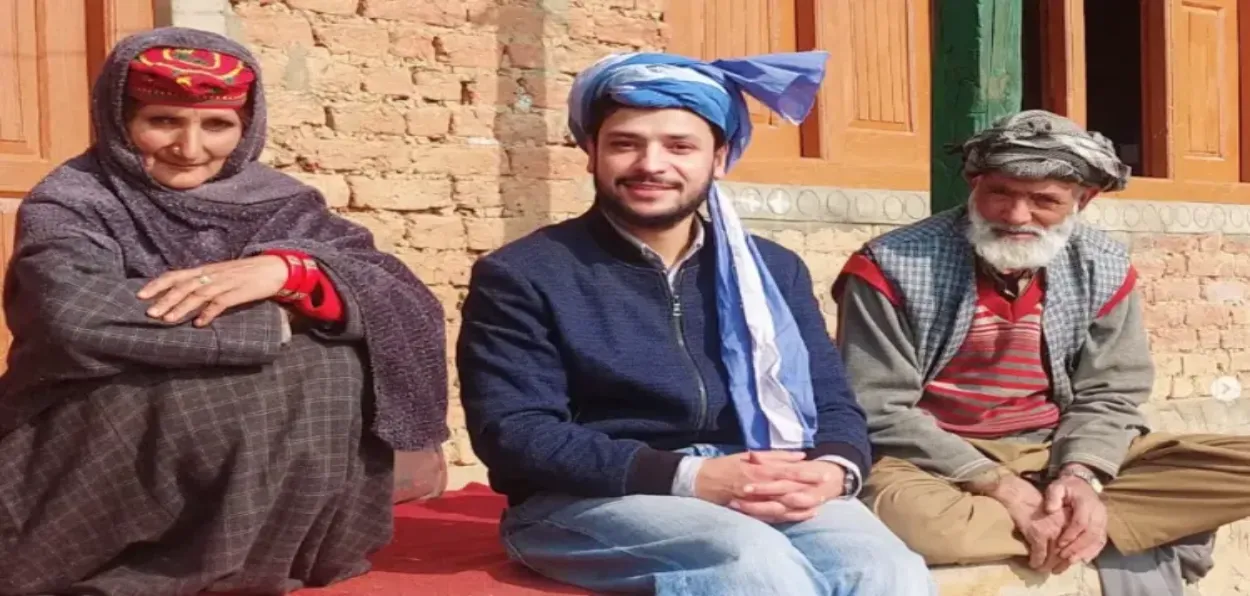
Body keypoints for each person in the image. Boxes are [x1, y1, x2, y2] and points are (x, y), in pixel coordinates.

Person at [457, 51, 934, 596]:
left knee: (883, 569)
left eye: (679, 146)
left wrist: (832, 471)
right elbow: (516, 433)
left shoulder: (773, 269)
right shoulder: (524, 274)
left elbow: (830, 401)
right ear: (591, 152)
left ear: (721, 157)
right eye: (625, 143)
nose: (651, 165)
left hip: (757, 476)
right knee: (748, 562)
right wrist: (692, 477)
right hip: (587, 499)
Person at [0, 28, 448, 594]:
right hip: (87, 443)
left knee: (331, 367)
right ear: (119, 118)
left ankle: (243, 563)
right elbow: (74, 313)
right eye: (163, 121)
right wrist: (278, 320)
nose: (190, 148)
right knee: (293, 365)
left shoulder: (279, 202)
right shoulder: (73, 201)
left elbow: (398, 294)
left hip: (229, 453)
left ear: (245, 127)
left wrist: (291, 272)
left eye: (217, 125)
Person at [833, 109, 1250, 594]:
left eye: (1044, 201)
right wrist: (996, 483)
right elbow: (877, 406)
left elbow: (1111, 393)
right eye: (999, 193)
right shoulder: (892, 264)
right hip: (934, 461)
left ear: (1083, 200)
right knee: (912, 520)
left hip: (1054, 445)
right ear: (974, 184)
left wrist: (1080, 476)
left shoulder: (1104, 266)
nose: (1015, 216)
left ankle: (1073, 513)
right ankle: (1098, 526)